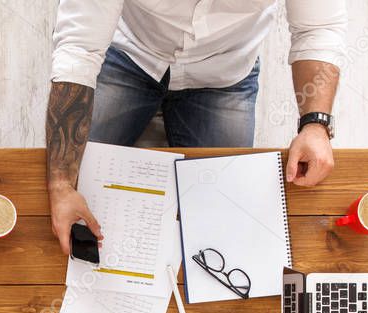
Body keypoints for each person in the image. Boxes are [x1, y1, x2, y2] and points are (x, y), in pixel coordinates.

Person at [45, 0, 347, 253]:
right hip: (133, 53)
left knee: (221, 224)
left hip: (225, 71)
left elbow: (317, 28)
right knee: (69, 188)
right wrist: (61, 183)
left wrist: (315, 125)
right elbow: (79, 48)